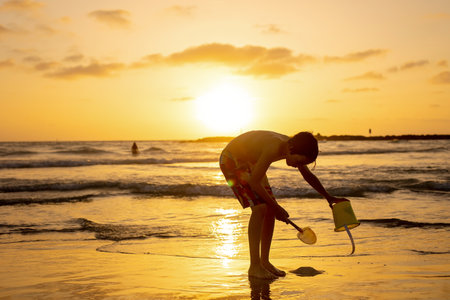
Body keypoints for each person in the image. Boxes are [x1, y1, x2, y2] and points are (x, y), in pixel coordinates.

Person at [219, 130, 346, 279]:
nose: (297, 166)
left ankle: (264, 262)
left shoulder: (292, 146)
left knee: (270, 210)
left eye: (302, 163)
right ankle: (254, 267)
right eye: (299, 162)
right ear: (291, 149)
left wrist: (328, 197)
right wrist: (276, 206)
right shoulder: (273, 147)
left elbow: (308, 175)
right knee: (260, 208)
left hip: (251, 161)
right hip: (232, 159)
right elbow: (254, 182)